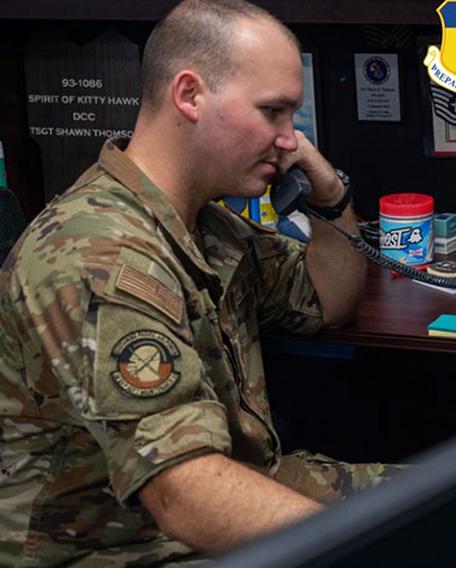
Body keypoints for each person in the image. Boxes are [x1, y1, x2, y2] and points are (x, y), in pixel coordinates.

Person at [0, 0, 402, 564]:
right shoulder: (100, 254)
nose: (290, 139)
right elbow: (183, 491)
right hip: (123, 545)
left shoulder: (203, 222)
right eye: (273, 112)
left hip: (230, 485)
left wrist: (330, 195)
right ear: (190, 95)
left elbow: (325, 301)